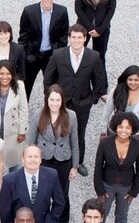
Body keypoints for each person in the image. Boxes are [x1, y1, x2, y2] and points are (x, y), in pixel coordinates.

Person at [44, 24, 107, 174]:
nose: (77, 40)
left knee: (79, 133)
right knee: (56, 130)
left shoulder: (93, 56)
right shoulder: (58, 55)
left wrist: (91, 100)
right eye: (73, 37)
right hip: (60, 103)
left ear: (85, 38)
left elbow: (99, 82)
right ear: (69, 38)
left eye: (80, 37)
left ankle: (78, 162)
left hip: (82, 103)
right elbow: (48, 79)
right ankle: (55, 157)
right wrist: (51, 99)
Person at [27, 85, 79, 223]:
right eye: (52, 100)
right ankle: (43, 217)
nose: (55, 103)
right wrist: (31, 161)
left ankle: (63, 220)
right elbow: (32, 140)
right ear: (46, 100)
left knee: (62, 192)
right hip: (44, 159)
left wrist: (75, 166)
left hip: (63, 160)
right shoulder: (38, 115)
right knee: (42, 191)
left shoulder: (71, 116)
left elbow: (75, 142)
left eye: (58, 100)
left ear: (62, 100)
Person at [93, 111, 139, 223]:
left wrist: (134, 192)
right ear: (115, 126)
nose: (123, 130)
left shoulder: (138, 145)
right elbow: (98, 168)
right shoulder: (105, 143)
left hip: (126, 187)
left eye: (127, 128)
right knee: (101, 214)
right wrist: (99, 189)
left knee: (122, 217)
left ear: (133, 129)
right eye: (121, 127)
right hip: (107, 185)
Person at [0, 145, 64, 223]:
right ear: (23, 159)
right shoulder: (9, 180)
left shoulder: (51, 175)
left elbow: (59, 202)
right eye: (29, 156)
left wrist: (49, 222)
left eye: (36, 156)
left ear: (41, 159)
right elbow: (5, 212)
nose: (33, 160)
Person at [18, 0, 69, 101]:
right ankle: (22, 112)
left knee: (52, 87)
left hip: (51, 56)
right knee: (25, 87)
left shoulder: (62, 11)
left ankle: (50, 111)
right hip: (32, 55)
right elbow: (23, 35)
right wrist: (26, 55)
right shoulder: (29, 11)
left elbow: (64, 36)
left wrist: (58, 55)